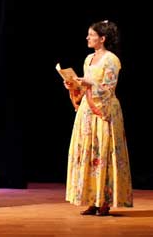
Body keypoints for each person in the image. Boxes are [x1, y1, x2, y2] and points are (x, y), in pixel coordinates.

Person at [64, 20, 133, 216]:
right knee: (89, 152)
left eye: (92, 35)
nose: (88, 37)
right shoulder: (88, 59)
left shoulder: (111, 60)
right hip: (88, 111)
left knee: (103, 152)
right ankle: (92, 199)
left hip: (105, 112)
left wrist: (89, 83)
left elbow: (108, 88)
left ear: (102, 38)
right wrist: (73, 85)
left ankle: (105, 201)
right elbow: (85, 86)